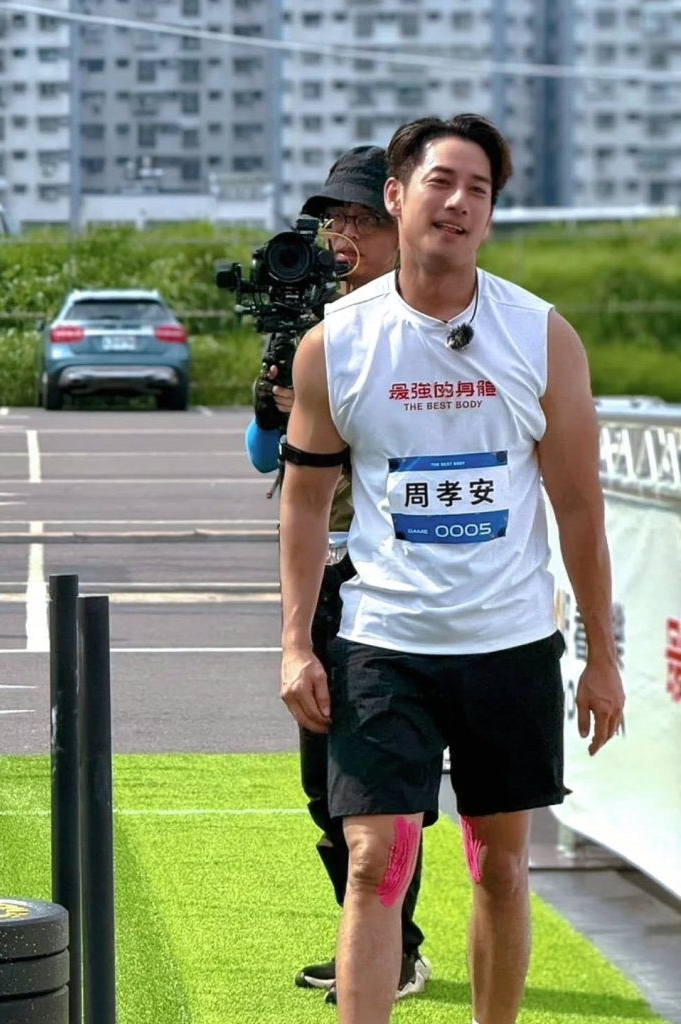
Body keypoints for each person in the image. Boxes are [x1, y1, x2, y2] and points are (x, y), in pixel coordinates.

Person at [279, 113, 626, 1024]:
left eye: (479, 189)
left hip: (509, 640)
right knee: (373, 861)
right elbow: (306, 501)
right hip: (382, 641)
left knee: (500, 866)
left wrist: (602, 656)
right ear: (397, 197)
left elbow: (579, 507)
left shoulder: (541, 336)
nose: (459, 203)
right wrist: (294, 643)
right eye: (441, 182)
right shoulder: (337, 342)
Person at [246, 148, 431, 1007]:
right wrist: (274, 410)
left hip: (391, 568)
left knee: (381, 787)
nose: (343, 235)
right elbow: (266, 462)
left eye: (361, 219)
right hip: (323, 573)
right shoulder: (316, 329)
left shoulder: (419, 325)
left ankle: (396, 952)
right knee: (326, 787)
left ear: (401, 228)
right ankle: (380, 941)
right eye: (335, 221)